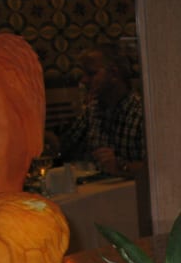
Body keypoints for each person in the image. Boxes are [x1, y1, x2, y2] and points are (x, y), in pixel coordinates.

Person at [60, 45, 146, 178]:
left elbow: (158, 168)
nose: (84, 80)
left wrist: (120, 166)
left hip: (130, 189)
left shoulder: (140, 114)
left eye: (91, 73)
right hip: (99, 187)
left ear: (114, 74)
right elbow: (65, 148)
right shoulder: (93, 110)